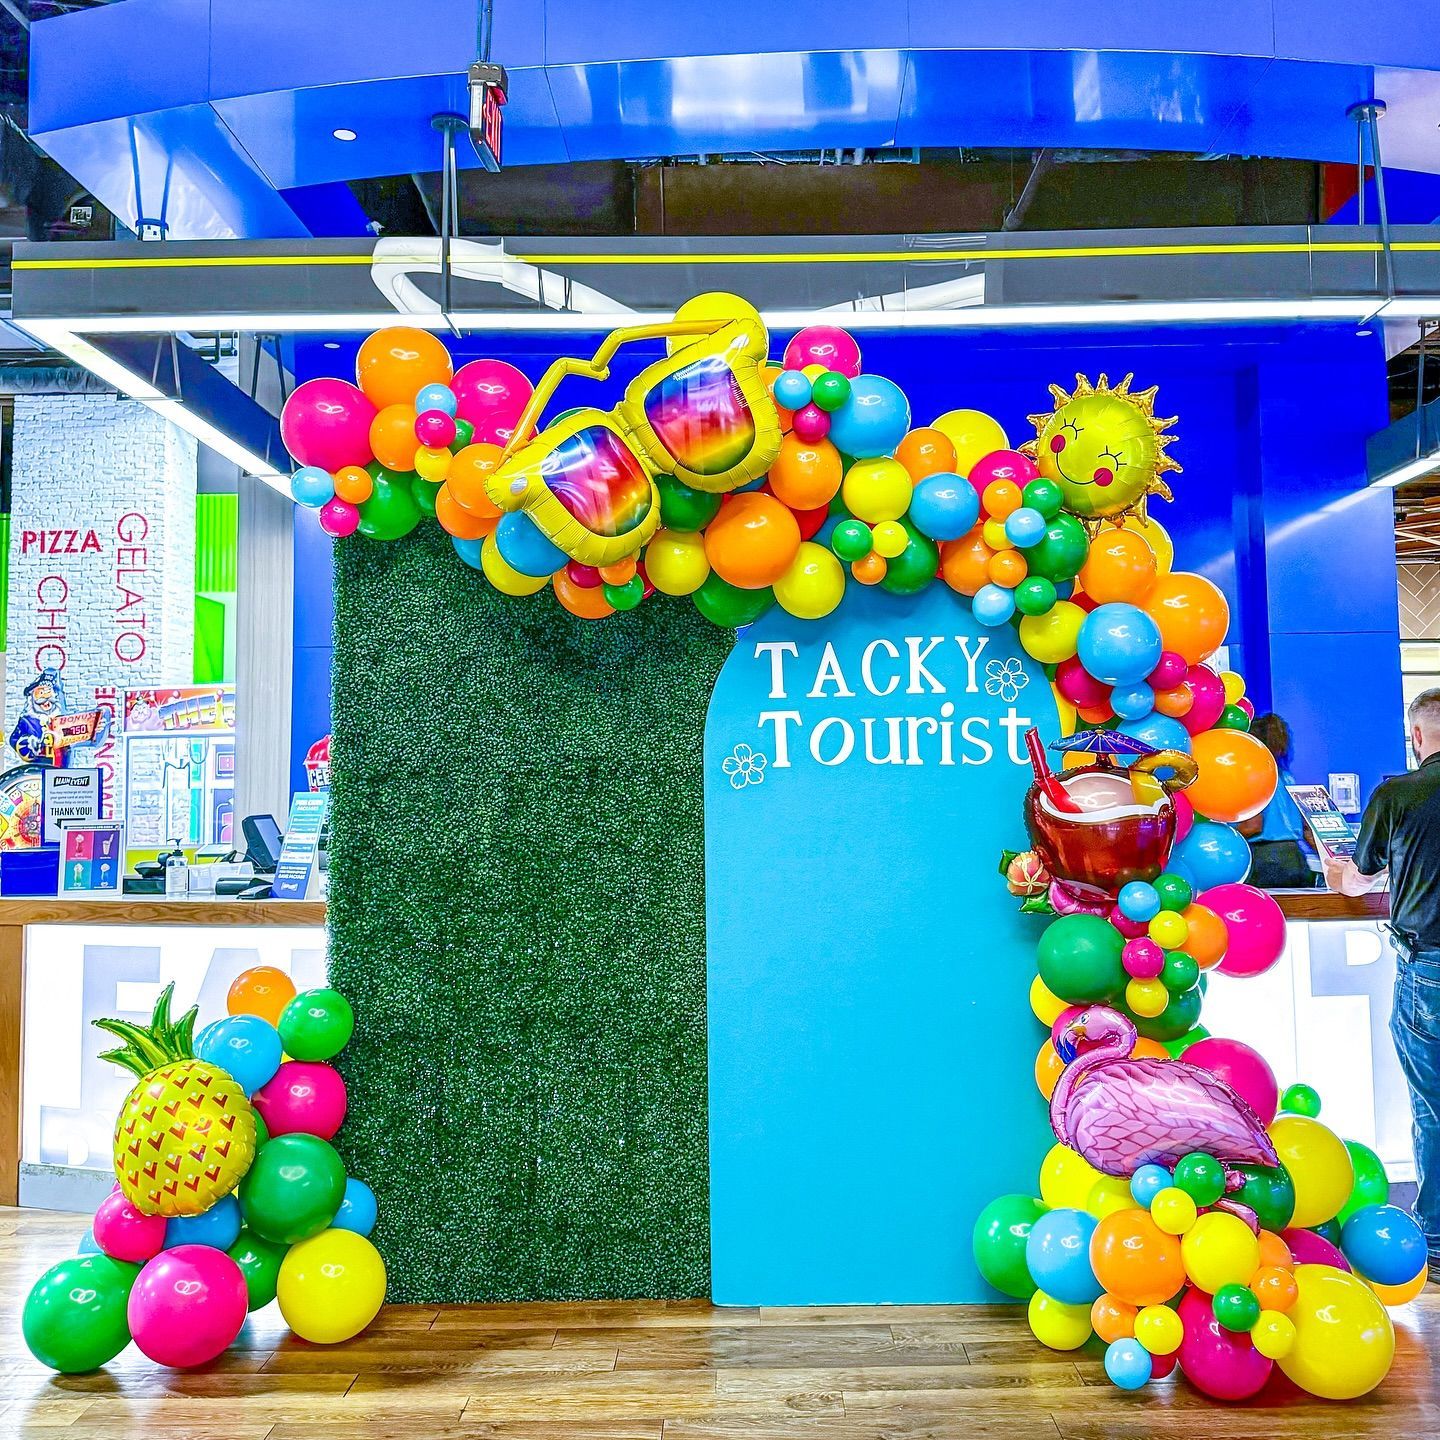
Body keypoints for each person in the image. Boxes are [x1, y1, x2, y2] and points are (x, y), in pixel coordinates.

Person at [1325, 687, 1440, 1279]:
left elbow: (1355, 881)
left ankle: (1437, 1241)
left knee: (1434, 1106)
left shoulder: (1397, 794)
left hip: (1429, 970)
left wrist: (1336, 870)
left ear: (1416, 736)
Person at [1241, 713, 1318, 888]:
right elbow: (1307, 830)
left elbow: (1253, 826)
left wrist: (1226, 836)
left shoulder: (1252, 776)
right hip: (1295, 856)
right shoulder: (1287, 778)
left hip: (1265, 860)